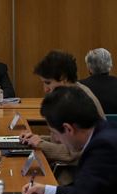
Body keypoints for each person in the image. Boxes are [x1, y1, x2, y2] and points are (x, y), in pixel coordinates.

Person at [18, 50, 105, 185]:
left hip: (76, 176)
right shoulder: (69, 96)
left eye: (48, 83)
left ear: (63, 78)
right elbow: (61, 139)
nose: (45, 89)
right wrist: (37, 138)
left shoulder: (76, 102)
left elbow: (74, 154)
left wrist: (41, 145)